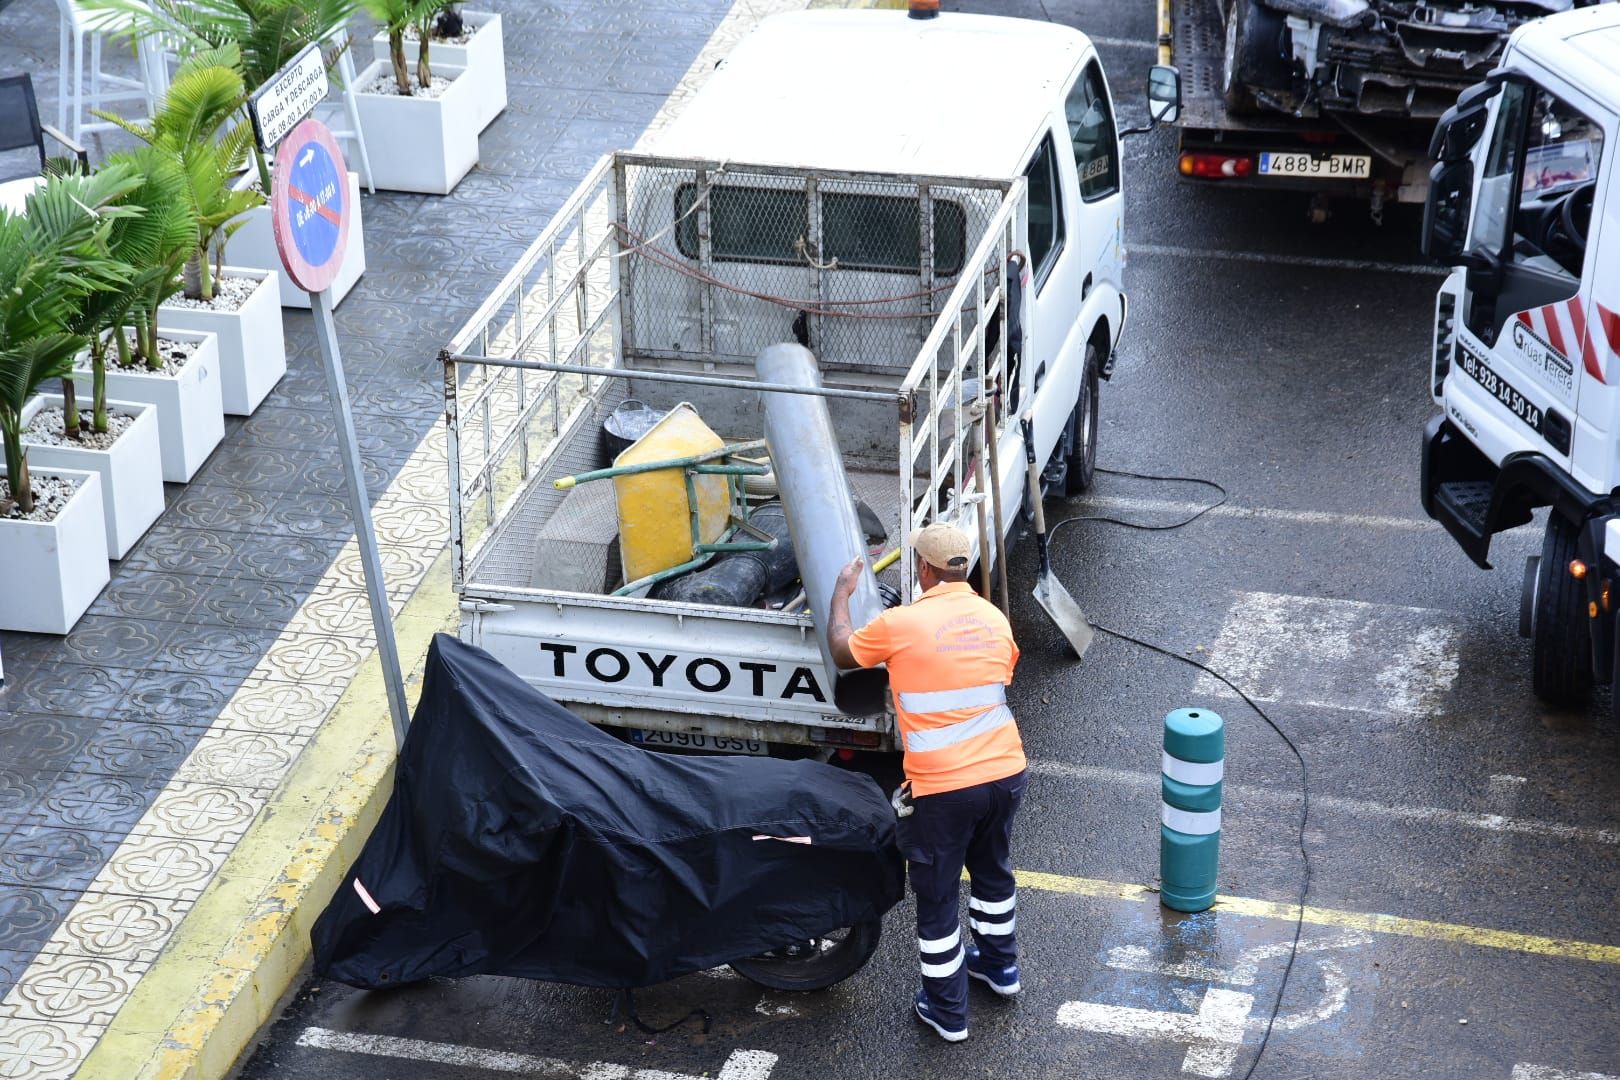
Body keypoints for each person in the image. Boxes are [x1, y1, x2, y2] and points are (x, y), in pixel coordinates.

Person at [828, 522, 1027, 1043]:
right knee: (992, 874)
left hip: (944, 788)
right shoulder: (994, 618)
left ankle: (946, 1011)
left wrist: (841, 597)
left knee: (938, 899)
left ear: (923, 569)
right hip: (1006, 772)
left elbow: (844, 652)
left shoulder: (903, 623)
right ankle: (1000, 969)